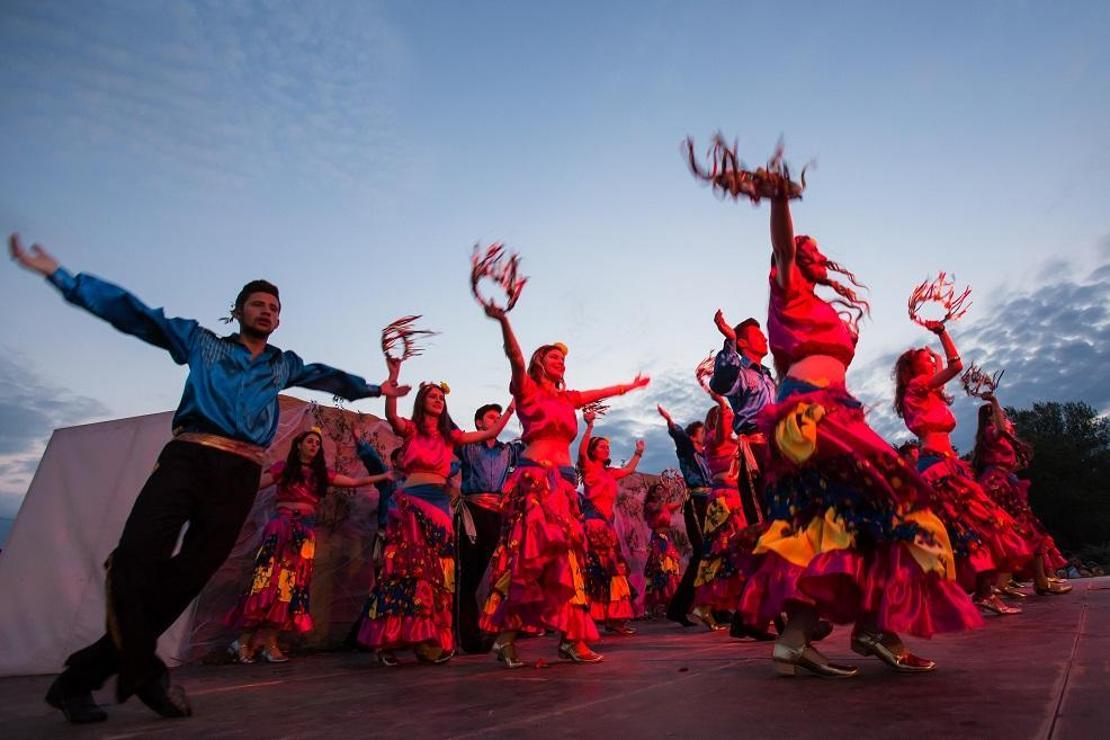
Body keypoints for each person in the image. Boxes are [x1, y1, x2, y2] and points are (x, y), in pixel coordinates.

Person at [9, 233, 409, 723]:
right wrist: (62, 277)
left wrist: (374, 387)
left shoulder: (282, 363)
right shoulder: (202, 344)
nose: (266, 312)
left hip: (239, 472)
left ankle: (81, 680)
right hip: (188, 458)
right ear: (237, 311)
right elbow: (137, 315)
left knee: (189, 576)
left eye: (274, 307)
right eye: (257, 304)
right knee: (135, 558)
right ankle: (148, 674)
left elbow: (326, 375)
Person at [722, 193, 981, 677]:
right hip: (810, 415)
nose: (821, 258)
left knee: (831, 523)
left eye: (820, 252)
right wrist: (779, 198)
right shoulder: (787, 290)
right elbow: (780, 246)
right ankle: (872, 630)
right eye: (812, 251)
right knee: (894, 506)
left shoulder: (817, 309)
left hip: (835, 412)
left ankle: (797, 639)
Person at [478, 300, 649, 667]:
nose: (562, 362)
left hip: (565, 487)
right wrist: (504, 321)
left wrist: (629, 387)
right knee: (530, 557)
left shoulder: (568, 399)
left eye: (563, 359)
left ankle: (573, 640)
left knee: (570, 559)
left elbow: (598, 393)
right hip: (535, 482)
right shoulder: (526, 389)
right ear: (541, 362)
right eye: (554, 358)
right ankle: (506, 638)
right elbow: (515, 357)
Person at [358, 368, 513, 666]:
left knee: (436, 578)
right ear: (421, 401)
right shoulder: (412, 429)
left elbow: (491, 433)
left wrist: (511, 406)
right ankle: (388, 640)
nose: (438, 400)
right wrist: (393, 379)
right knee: (405, 571)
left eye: (441, 397)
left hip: (440, 512)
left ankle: (426, 641)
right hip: (413, 505)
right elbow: (392, 416)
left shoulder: (451, 436)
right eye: (432, 396)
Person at [894, 325, 1034, 616]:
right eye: (924, 356)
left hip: (949, 466)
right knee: (968, 528)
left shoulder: (930, 392)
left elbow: (946, 369)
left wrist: (935, 355)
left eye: (931, 358)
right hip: (936, 469)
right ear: (911, 367)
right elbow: (956, 365)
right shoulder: (917, 388)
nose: (930, 359)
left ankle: (984, 592)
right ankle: (964, 594)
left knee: (982, 526)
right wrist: (942, 332)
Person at [226, 428, 394, 663]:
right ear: (298, 445)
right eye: (310, 441)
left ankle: (269, 641)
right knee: (266, 583)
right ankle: (243, 640)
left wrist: (383, 477)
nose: (314, 445)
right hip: (282, 529)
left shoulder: (321, 474)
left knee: (290, 587)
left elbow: (354, 482)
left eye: (317, 442)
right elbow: (255, 484)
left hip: (304, 534)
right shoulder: (284, 469)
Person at [972, 394, 1070, 597]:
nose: (1006, 418)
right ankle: (1028, 581)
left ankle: (1032, 581)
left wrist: (1019, 466)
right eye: (1002, 415)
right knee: (1026, 530)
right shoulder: (992, 432)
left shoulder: (994, 438)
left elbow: (1004, 462)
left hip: (1001, 481)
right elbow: (1000, 431)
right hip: (998, 485)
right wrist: (994, 401)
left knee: (1024, 530)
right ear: (992, 418)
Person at [454, 402, 523, 654]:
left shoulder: (509, 451)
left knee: (500, 573)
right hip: (473, 512)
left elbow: (534, 438)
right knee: (469, 576)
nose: (495, 420)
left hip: (499, 515)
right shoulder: (468, 445)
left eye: (498, 416)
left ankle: (500, 630)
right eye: (490, 417)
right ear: (479, 424)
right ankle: (468, 638)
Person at [578, 409, 644, 635]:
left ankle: (614, 619)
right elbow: (581, 452)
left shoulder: (610, 473)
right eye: (602, 447)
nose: (607, 449)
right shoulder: (589, 468)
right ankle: (590, 618)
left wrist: (638, 453)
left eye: (608, 447)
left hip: (607, 526)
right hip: (593, 524)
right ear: (592, 451)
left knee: (614, 571)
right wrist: (589, 426)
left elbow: (629, 469)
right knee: (596, 571)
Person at [710, 312, 776, 526]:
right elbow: (720, 382)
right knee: (764, 518)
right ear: (743, 342)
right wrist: (730, 341)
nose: (765, 339)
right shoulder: (740, 374)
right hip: (756, 452)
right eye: (759, 335)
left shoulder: (768, 376)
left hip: (779, 447)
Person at [656, 405, 713, 627]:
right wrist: (670, 421)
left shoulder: (707, 455)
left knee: (715, 553)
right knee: (701, 553)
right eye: (703, 431)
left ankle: (714, 606)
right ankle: (679, 609)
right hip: (696, 503)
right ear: (693, 436)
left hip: (711, 503)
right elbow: (679, 436)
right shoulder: (687, 450)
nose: (706, 434)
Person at [642, 483, 683, 617]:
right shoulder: (650, 505)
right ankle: (655, 605)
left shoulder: (664, 505)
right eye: (657, 489)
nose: (660, 491)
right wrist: (664, 497)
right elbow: (657, 508)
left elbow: (678, 503)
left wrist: (685, 490)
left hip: (667, 539)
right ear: (652, 493)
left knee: (671, 569)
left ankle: (670, 602)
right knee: (660, 569)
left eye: (661, 489)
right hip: (658, 541)